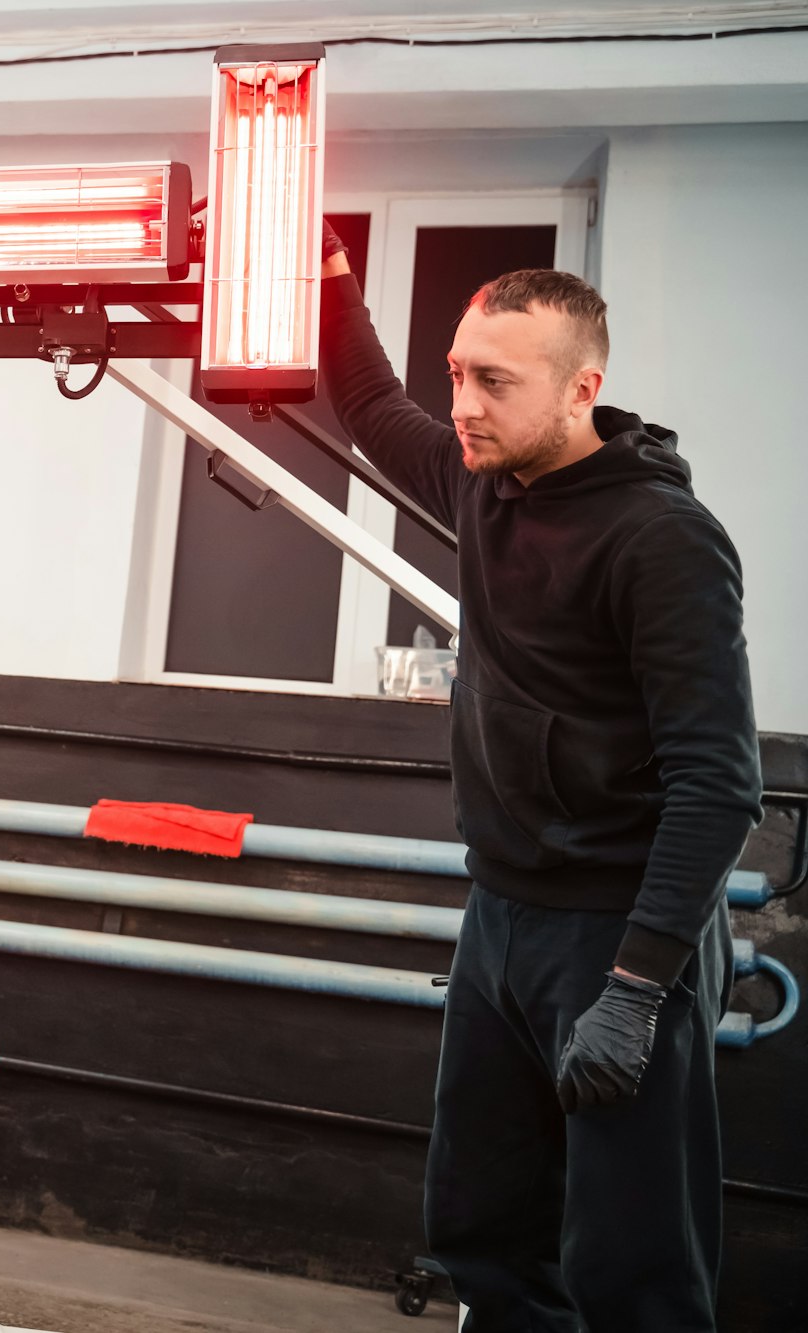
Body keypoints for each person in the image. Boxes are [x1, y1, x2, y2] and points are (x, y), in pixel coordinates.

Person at [315, 223, 762, 1331]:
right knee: (483, 1227)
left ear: (580, 390)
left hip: (617, 936)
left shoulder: (660, 539)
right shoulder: (484, 482)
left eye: (492, 382)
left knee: (630, 1258)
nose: (460, 403)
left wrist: (635, 987)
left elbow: (717, 782)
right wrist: (326, 278)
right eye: (457, 373)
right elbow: (372, 410)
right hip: (502, 919)